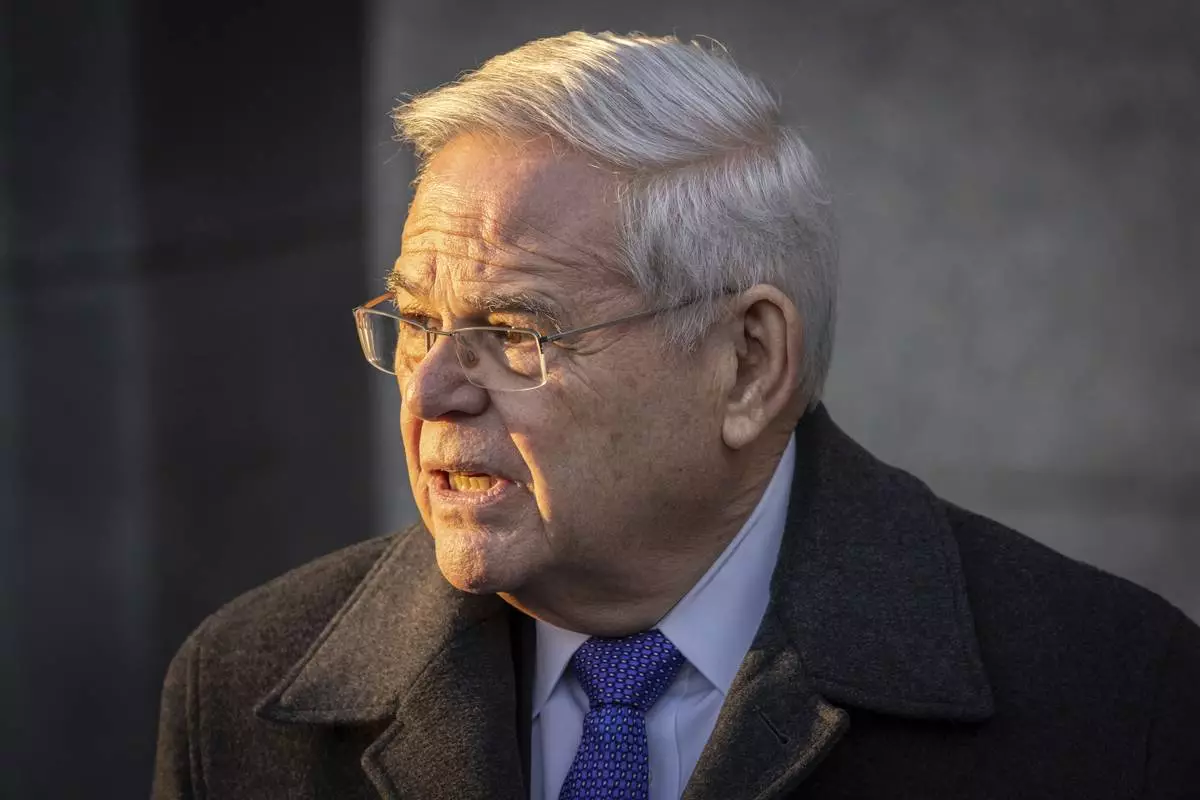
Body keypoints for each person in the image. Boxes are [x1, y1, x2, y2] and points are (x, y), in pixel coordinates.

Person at [152, 31, 1200, 800]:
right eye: (418, 322)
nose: (430, 392)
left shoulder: (1115, 696)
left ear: (749, 362)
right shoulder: (240, 688)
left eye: (515, 331)